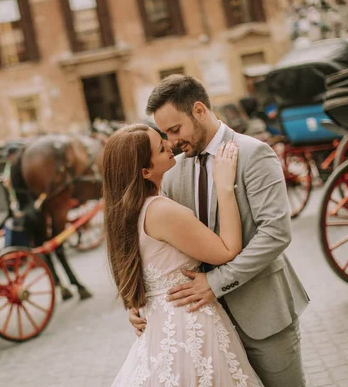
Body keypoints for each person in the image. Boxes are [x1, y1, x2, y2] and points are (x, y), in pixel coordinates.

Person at [128, 75, 309, 387]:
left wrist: (216, 282)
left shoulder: (254, 153)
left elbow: (275, 233)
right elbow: (165, 244)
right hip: (207, 326)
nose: (171, 141)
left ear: (199, 110)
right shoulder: (173, 171)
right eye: (165, 134)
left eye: (175, 129)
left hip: (262, 312)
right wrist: (138, 301)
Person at [106, 125, 263, 386]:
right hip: (187, 324)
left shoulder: (124, 213)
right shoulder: (160, 211)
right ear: (145, 172)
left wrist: (135, 306)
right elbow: (226, 251)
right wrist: (224, 187)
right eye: (160, 147)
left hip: (157, 327)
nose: (170, 145)